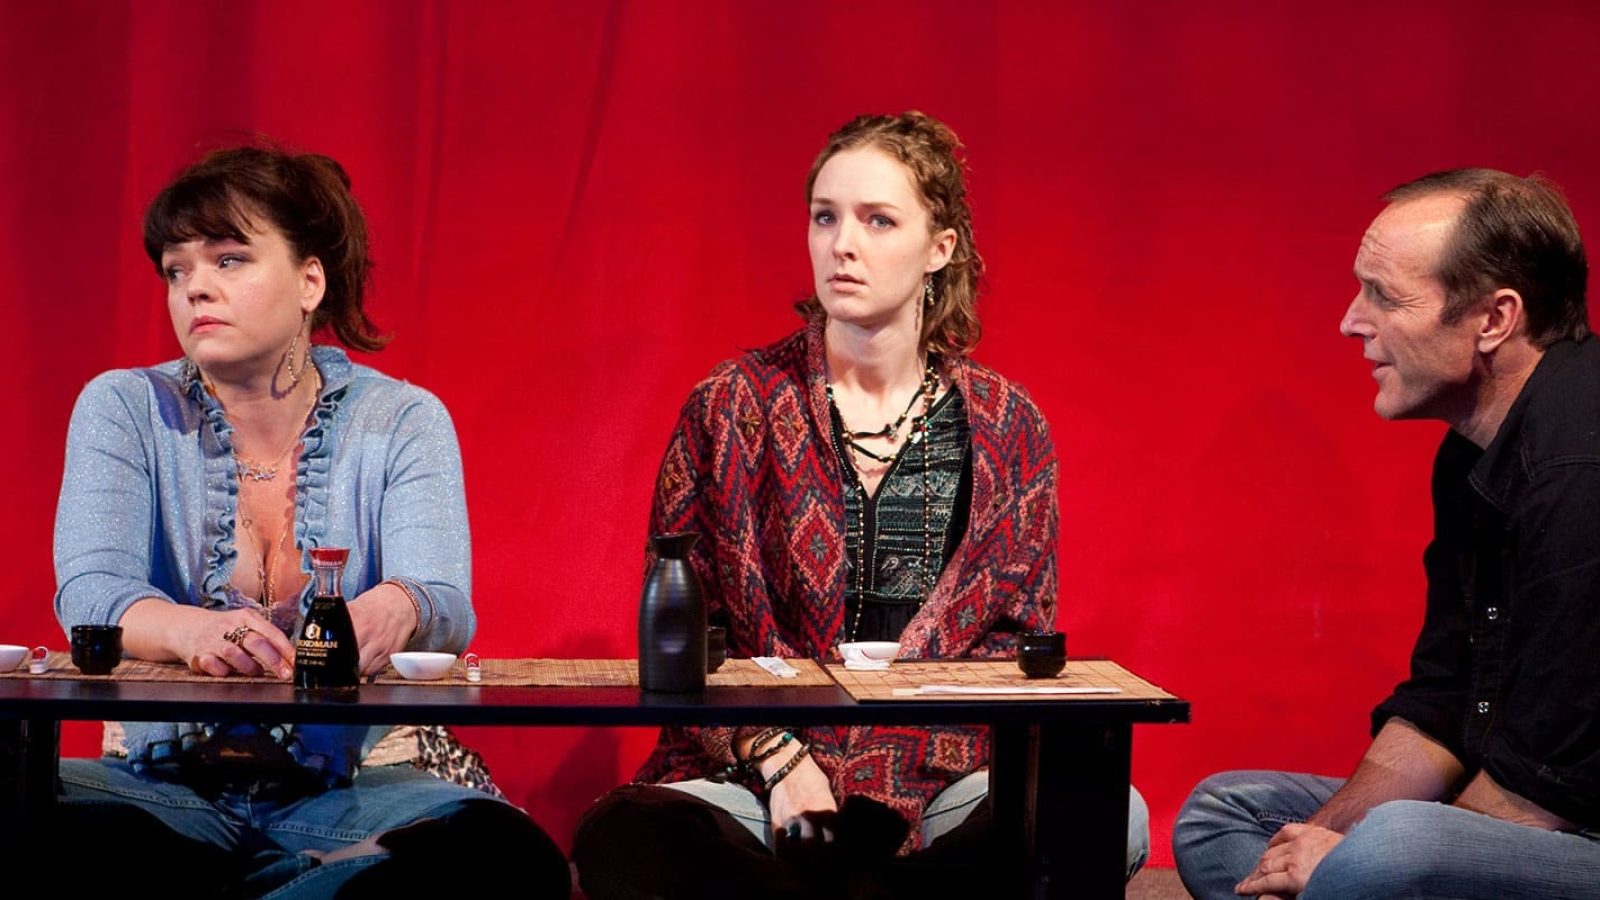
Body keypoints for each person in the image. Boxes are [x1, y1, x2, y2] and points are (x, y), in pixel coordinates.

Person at [572, 111, 1148, 898]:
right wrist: (780, 759)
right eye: (825, 217)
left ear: (940, 248)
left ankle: (857, 880)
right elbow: (686, 643)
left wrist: (894, 767)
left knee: (1113, 815)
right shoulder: (729, 404)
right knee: (624, 835)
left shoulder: (1009, 426)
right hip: (758, 775)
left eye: (879, 220)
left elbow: (1015, 652)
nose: (843, 243)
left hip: (947, 780)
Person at [49, 145, 569, 898]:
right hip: (159, 791)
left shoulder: (402, 420)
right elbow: (92, 592)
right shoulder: (124, 408)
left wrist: (395, 608)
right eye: (176, 269)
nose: (195, 288)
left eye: (228, 260)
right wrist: (194, 632)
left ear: (310, 280)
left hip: (353, 788)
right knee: (32, 818)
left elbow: (444, 604)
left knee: (502, 858)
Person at [1172, 169, 1600, 899]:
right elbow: (1443, 700)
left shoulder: (1579, 463)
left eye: (1386, 296)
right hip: (1522, 808)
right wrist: (1317, 846)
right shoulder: (1470, 452)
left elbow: (1541, 789)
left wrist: (1347, 860)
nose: (1350, 320)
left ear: (1494, 319)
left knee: (1395, 849)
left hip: (1570, 823)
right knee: (1224, 814)